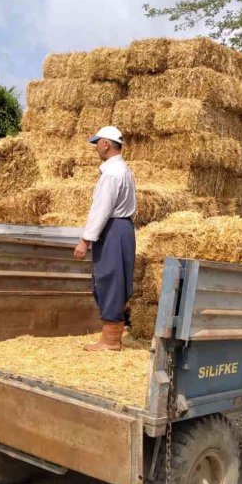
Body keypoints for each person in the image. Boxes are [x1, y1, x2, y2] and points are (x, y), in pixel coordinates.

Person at [74, 125, 137, 351]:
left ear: (106, 144)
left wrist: (85, 240)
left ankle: (110, 341)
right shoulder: (124, 170)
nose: (96, 148)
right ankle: (112, 337)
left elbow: (101, 209)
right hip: (124, 228)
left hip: (112, 229)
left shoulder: (111, 173)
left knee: (109, 278)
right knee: (118, 279)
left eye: (97, 143)